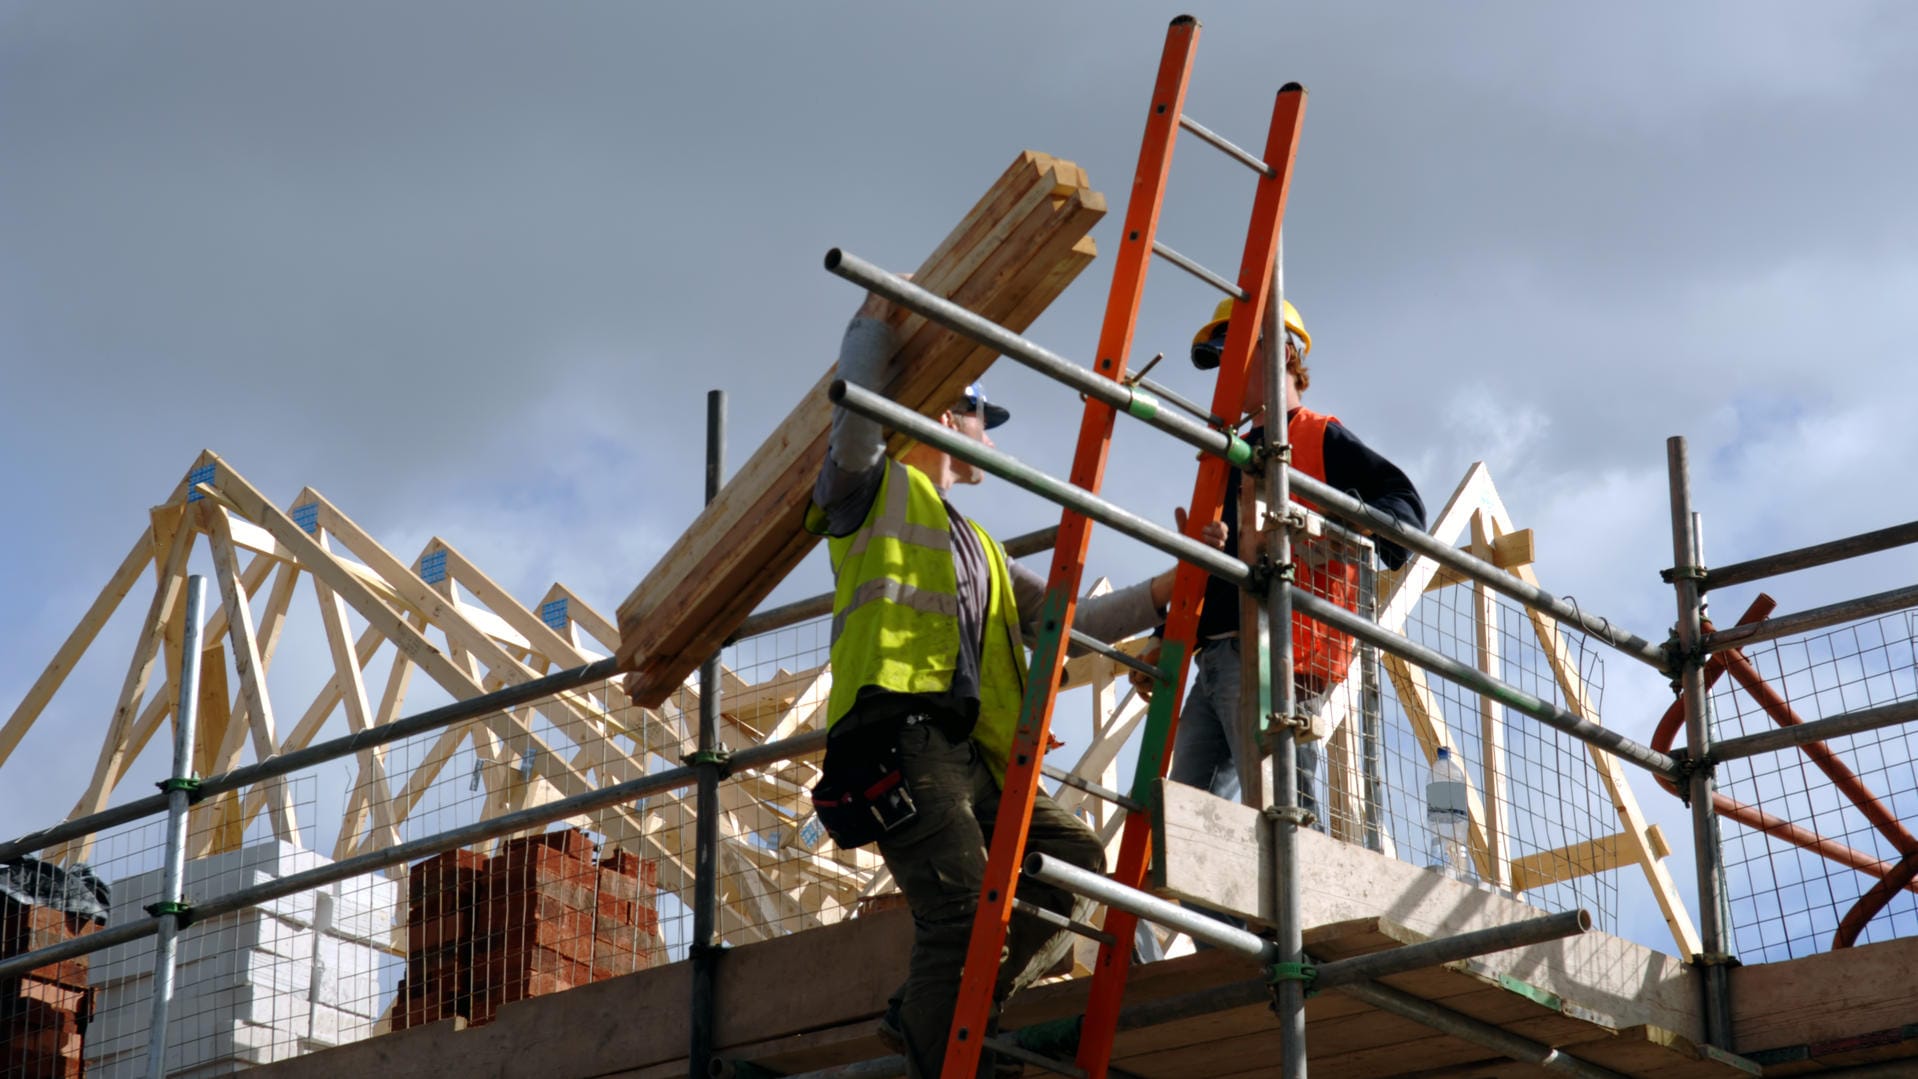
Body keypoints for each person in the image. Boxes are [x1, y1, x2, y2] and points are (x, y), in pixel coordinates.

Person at [809, 289, 1224, 1079]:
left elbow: (1074, 621)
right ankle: (955, 1056)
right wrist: (869, 330)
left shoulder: (982, 552)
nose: (983, 431)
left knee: (1073, 867)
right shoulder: (868, 493)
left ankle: (942, 1019)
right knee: (964, 918)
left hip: (973, 757)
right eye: (974, 412)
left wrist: (1177, 581)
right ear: (936, 409)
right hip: (900, 734)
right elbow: (855, 422)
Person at [1136, 296, 1425, 820]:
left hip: (1284, 659)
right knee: (1191, 829)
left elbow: (1404, 510)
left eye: (1236, 357)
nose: (1226, 375)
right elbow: (1216, 566)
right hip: (1218, 660)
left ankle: (1293, 900)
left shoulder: (1316, 437)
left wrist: (1333, 530)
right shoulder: (1230, 457)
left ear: (1282, 353)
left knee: (1283, 821)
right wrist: (1165, 636)